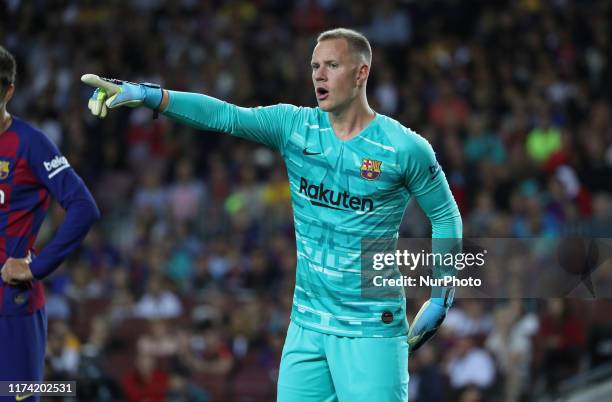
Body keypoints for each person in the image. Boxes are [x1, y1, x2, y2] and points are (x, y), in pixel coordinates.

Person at [82, 28, 461, 402]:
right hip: (306, 325)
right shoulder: (294, 126)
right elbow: (225, 116)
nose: (319, 75)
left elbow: (445, 214)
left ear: (361, 73)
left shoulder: (404, 148)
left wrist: (443, 293)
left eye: (332, 65)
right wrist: (148, 95)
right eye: (315, 66)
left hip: (370, 329)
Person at [0, 45, 100, 401]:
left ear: (8, 92)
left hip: (11, 306)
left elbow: (84, 207)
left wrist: (37, 267)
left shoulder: (31, 144)